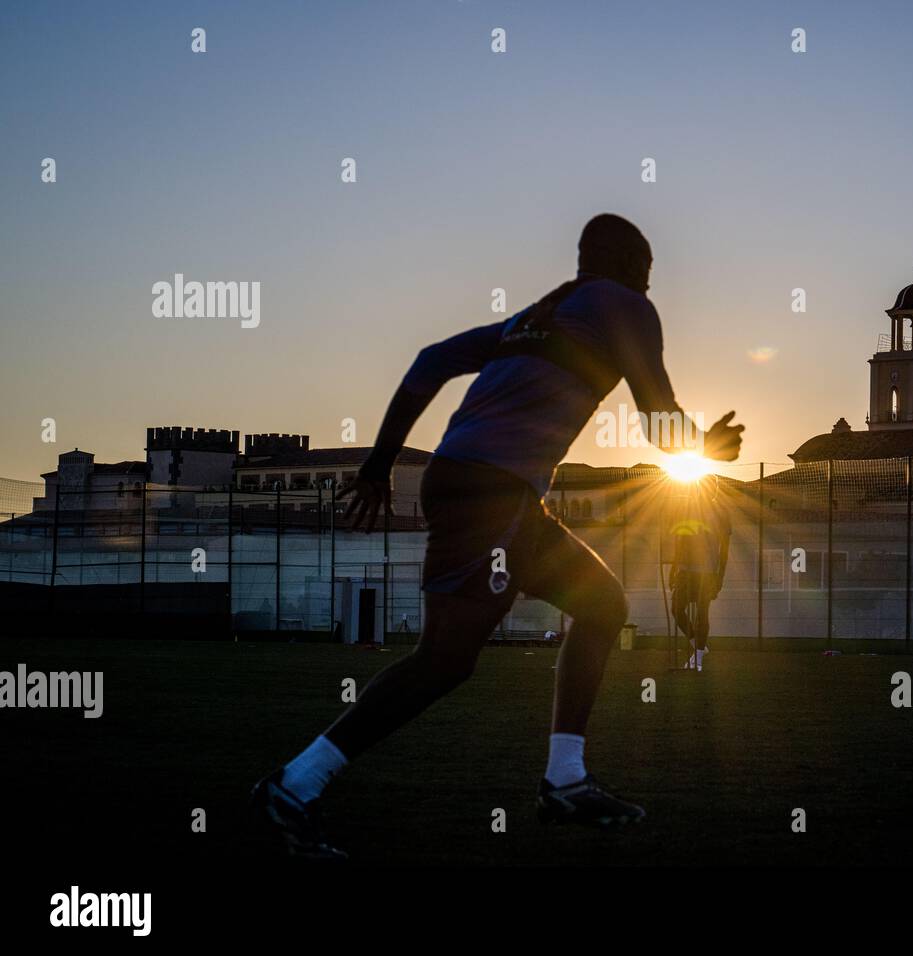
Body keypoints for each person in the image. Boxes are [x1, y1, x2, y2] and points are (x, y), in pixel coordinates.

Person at [251, 214, 744, 858]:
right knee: (445, 660)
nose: (651, 281)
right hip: (494, 489)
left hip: (481, 485)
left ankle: (565, 780)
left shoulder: (536, 318)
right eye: (647, 265)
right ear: (627, 263)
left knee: (601, 605)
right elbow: (656, 418)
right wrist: (706, 445)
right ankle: (295, 784)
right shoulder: (626, 305)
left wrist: (379, 462)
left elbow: (430, 361)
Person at [669, 475, 731, 671]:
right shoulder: (688, 509)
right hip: (686, 570)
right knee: (676, 609)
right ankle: (698, 644)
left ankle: (697, 659)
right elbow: (680, 539)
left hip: (708, 571)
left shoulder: (721, 512)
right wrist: (674, 567)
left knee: (702, 612)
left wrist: (720, 575)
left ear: (714, 490)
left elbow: (724, 548)